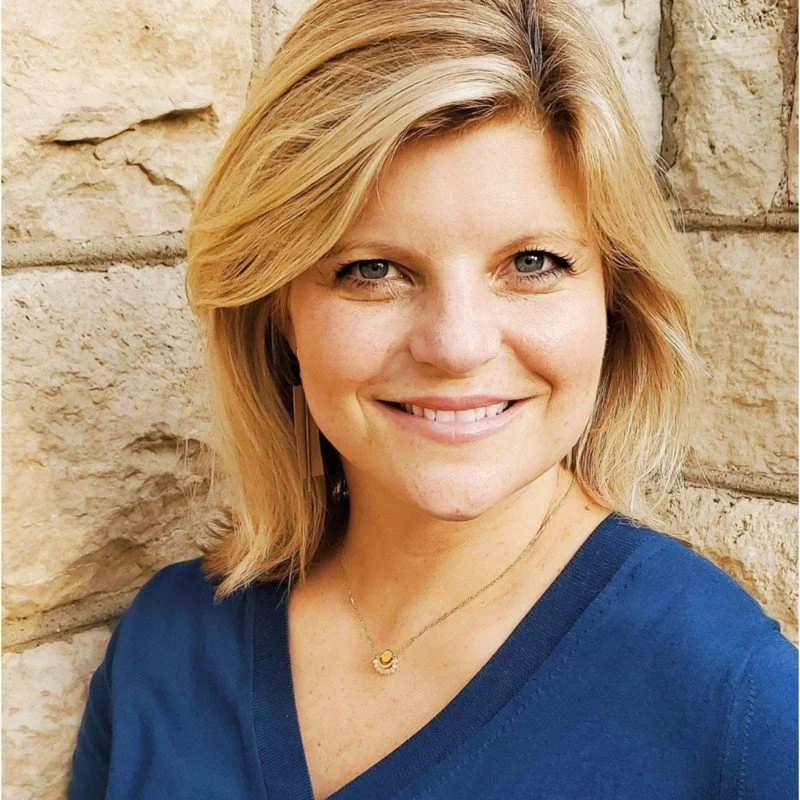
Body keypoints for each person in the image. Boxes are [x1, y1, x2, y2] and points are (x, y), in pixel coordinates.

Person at [68, 0, 798, 797]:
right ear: (279, 312)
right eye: (373, 269)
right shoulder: (166, 646)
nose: (456, 346)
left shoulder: (736, 702)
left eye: (534, 262)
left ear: (613, 302)